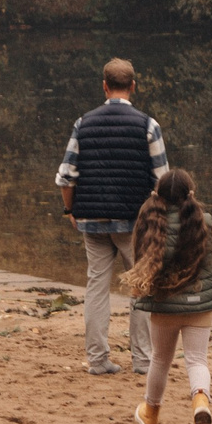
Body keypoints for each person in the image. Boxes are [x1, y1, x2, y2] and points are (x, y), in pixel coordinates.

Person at [57, 59, 168, 377]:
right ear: (133, 86)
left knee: (96, 286)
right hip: (135, 222)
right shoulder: (148, 125)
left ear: (104, 86)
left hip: (92, 219)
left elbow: (66, 177)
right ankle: (142, 360)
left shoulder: (83, 123)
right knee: (141, 286)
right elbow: (162, 181)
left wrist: (71, 210)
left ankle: (97, 360)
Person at [123, 168, 212, 424]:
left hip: (163, 306)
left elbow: (141, 268)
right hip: (199, 306)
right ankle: (200, 403)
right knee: (197, 360)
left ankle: (150, 416)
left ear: (157, 195)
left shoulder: (149, 224)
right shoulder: (204, 223)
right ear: (191, 194)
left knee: (160, 359)